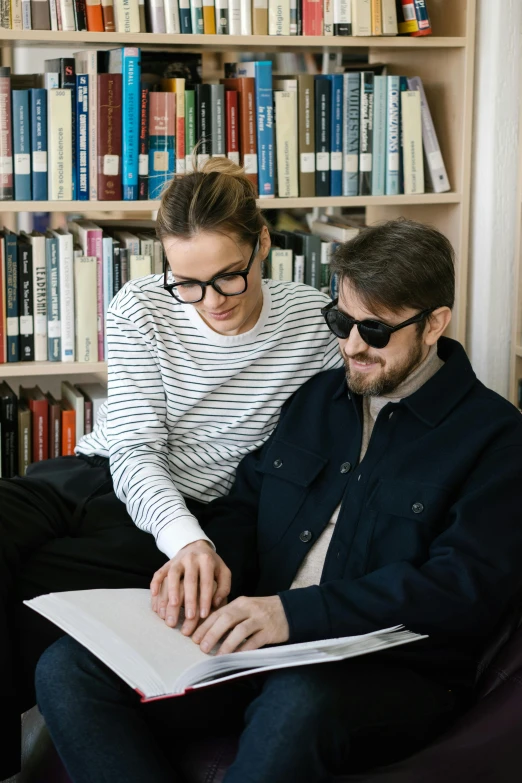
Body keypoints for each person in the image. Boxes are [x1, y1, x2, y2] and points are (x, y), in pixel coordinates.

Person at [35, 218, 522, 783]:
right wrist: (205, 570)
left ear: (435, 322)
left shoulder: (495, 437)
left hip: (390, 673)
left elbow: (462, 588)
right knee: (68, 668)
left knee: (299, 699)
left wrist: (292, 615)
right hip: (258, 648)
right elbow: (247, 508)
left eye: (376, 331)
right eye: (340, 322)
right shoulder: (317, 400)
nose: (353, 346)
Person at [0, 158, 340, 780]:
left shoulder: (316, 324)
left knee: (39, 592)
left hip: (201, 510)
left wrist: (194, 542)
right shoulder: (139, 306)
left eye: (229, 277)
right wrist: (182, 539)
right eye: (186, 282)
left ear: (263, 242)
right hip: (102, 474)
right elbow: (133, 447)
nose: (210, 302)